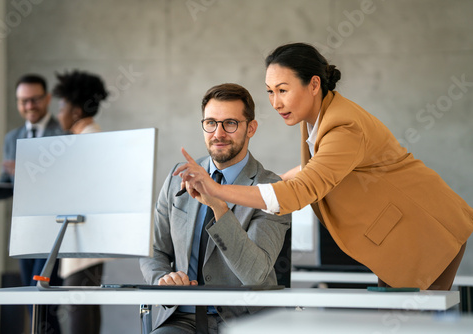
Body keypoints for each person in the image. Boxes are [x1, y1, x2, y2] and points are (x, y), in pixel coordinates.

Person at [175, 43, 473, 291]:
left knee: (414, 324)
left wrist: (218, 190)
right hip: (398, 236)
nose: (275, 103)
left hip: (427, 230)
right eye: (270, 91)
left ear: (313, 84)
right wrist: (270, 183)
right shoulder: (317, 120)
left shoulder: (344, 126)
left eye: (282, 90)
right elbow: (313, 171)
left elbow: (301, 191)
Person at [140, 83, 291, 333]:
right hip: (181, 318)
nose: (218, 133)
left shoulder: (270, 188)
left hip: (244, 320)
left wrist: (219, 206)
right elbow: (153, 249)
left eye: (230, 123)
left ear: (251, 128)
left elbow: (255, 274)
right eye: (211, 123)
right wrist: (163, 280)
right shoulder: (178, 177)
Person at [0, 74, 64, 333]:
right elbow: (11, 184)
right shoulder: (13, 137)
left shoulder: (63, 133)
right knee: (30, 301)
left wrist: (25, 171)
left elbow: (65, 183)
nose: (29, 106)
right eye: (23, 101)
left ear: (47, 99)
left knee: (45, 300)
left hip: (55, 230)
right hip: (24, 230)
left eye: (34, 99)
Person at [52, 69, 108, 334]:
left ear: (75, 111)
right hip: (80, 244)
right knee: (85, 312)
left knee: (80, 314)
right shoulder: (83, 138)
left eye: (62, 106)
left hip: (84, 245)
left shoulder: (89, 140)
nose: (59, 113)